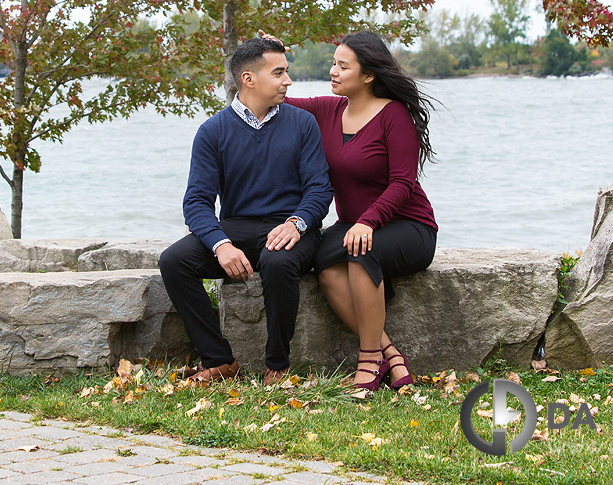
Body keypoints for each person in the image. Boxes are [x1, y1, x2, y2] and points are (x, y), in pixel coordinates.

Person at [158, 37, 333, 386]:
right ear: (249, 79)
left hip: (293, 230)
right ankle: (220, 360)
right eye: (279, 72)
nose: (288, 81)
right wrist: (220, 244)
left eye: (287, 72)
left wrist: (297, 224)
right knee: (174, 261)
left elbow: (320, 189)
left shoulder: (302, 124)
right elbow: (196, 201)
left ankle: (277, 366)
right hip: (236, 229)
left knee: (278, 260)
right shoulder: (212, 132)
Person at [279, 30, 438, 392]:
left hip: (408, 226)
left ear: (368, 75)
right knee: (325, 266)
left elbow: (403, 183)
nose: (333, 71)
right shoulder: (329, 110)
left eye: (343, 66)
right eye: (333, 64)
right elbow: (278, 101)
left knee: (359, 251)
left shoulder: (393, 116)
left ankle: (368, 361)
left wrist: (367, 222)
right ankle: (390, 353)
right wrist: (271, 56)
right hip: (354, 226)